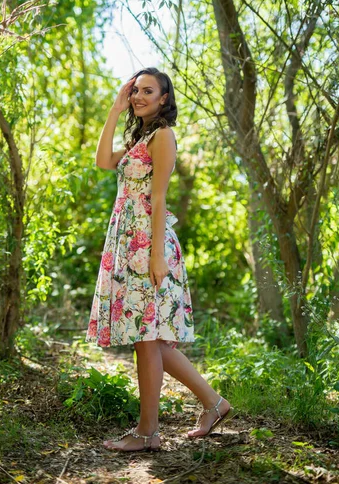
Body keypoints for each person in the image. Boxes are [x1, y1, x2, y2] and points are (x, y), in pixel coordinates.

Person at [86, 68, 234, 452]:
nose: (138, 96)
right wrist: (116, 110)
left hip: (148, 245)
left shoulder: (163, 136)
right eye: (135, 90)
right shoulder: (140, 136)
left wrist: (155, 256)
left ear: (164, 98)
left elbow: (160, 198)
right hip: (128, 241)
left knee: (148, 340)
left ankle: (147, 433)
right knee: (151, 340)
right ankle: (214, 404)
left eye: (147, 91)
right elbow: (103, 161)